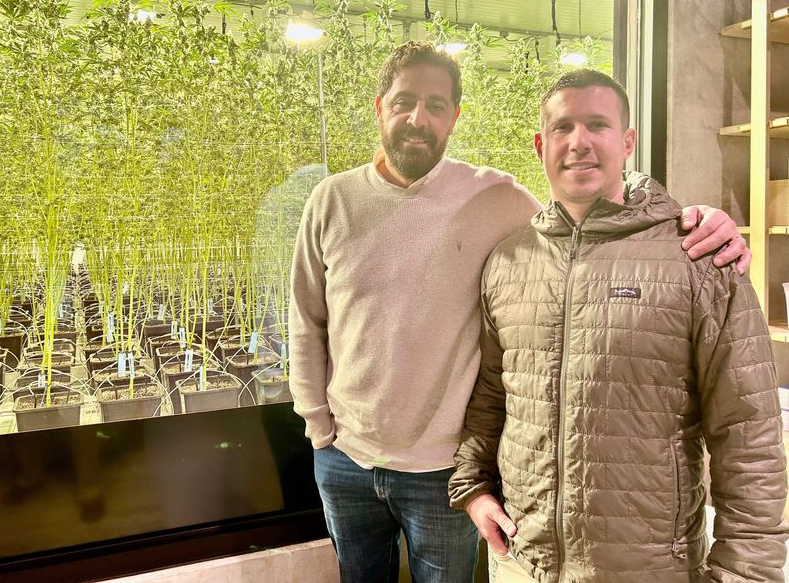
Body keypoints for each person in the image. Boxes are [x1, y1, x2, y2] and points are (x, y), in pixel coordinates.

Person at [289, 42, 750, 583]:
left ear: (454, 118)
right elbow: (306, 319)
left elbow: (586, 226)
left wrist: (698, 221)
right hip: (345, 459)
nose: (418, 118)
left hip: (443, 470)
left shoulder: (497, 198)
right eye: (404, 101)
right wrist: (319, 427)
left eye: (437, 106)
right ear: (379, 106)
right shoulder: (331, 200)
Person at [448, 69, 787, 582]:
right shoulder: (508, 261)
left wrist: (745, 573)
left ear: (627, 141)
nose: (578, 142)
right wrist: (473, 488)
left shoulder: (696, 256)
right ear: (541, 145)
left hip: (648, 569)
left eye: (597, 125)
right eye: (562, 128)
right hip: (522, 562)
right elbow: (494, 395)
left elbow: (748, 434)